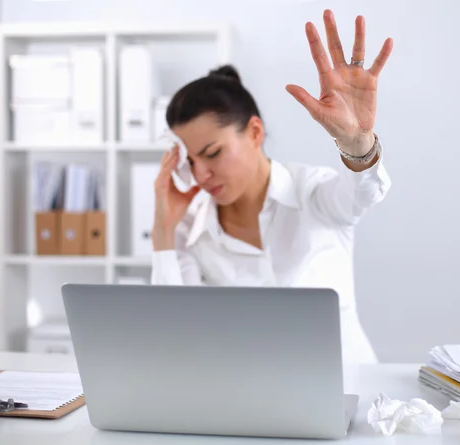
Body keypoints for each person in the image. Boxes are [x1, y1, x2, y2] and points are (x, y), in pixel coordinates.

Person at [151, 9, 393, 364]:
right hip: (252, 397)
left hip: (349, 385)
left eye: (213, 153)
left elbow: (363, 191)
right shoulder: (191, 227)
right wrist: (163, 230)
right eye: (190, 161)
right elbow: (171, 334)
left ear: (254, 132)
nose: (200, 174)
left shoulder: (314, 193)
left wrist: (357, 142)